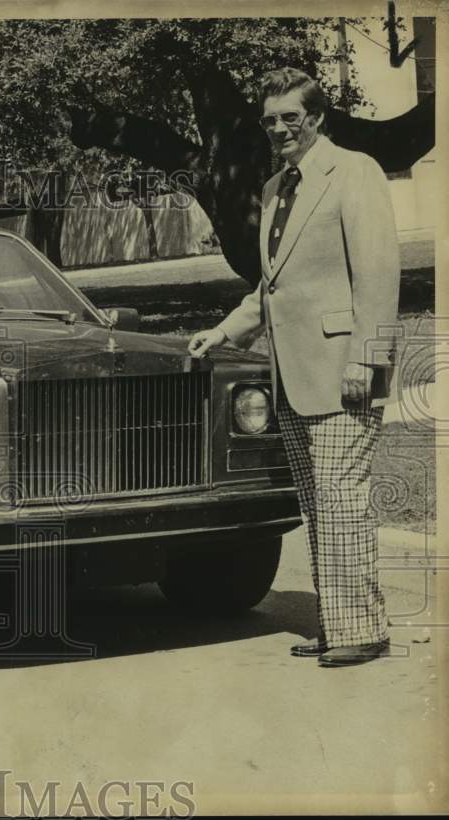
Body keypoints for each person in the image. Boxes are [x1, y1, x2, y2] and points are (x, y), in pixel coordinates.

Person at [188, 67, 400, 668]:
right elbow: (269, 290)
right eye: (270, 119)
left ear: (318, 117)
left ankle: (362, 629)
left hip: (349, 369)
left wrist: (369, 358)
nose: (280, 128)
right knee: (317, 500)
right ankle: (340, 624)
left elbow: (381, 276)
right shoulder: (277, 186)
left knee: (341, 498)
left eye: (291, 117)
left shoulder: (354, 171)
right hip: (294, 375)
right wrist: (223, 331)